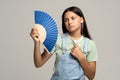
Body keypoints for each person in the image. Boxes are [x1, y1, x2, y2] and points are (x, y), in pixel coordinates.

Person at [30, 6, 98, 80]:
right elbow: (38, 63)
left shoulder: (90, 44)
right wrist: (36, 43)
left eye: (73, 18)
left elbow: (91, 76)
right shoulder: (57, 39)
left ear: (82, 20)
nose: (69, 22)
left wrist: (81, 57)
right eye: (66, 20)